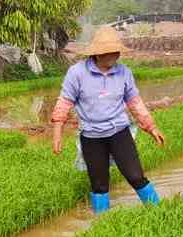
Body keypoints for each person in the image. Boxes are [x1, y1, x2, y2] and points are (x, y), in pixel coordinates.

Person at [51, 27, 165, 214]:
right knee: (99, 184)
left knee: (135, 176)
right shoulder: (77, 73)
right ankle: (102, 225)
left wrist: (151, 127)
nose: (115, 55)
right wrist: (57, 134)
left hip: (119, 132)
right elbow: (64, 103)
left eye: (116, 51)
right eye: (110, 52)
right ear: (97, 53)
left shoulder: (124, 72)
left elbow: (135, 103)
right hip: (91, 136)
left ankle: (160, 212)